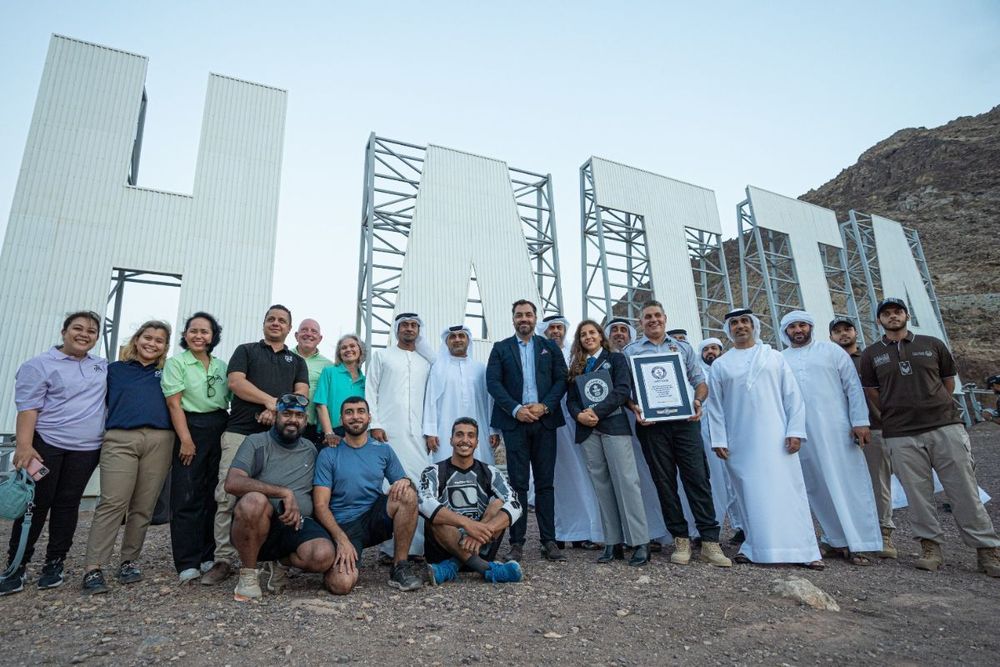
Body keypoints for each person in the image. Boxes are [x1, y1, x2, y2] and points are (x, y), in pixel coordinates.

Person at [860, 298, 1000, 576]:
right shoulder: (871, 354)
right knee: (918, 493)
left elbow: (948, 380)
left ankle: (987, 550)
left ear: (906, 315)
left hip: (944, 426)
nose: (892, 317)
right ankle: (930, 547)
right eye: (886, 314)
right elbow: (872, 391)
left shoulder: (931, 344)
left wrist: (935, 405)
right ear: (879, 320)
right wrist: (892, 413)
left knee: (963, 488)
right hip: (900, 433)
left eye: (897, 312)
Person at [202, 304, 309, 586]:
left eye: (282, 321)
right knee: (227, 494)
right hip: (240, 432)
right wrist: (271, 402)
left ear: (289, 328)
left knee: (269, 497)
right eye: (271, 319)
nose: (276, 323)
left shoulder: (297, 361)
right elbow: (237, 383)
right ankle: (223, 559)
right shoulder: (246, 350)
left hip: (278, 440)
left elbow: (301, 394)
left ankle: (268, 560)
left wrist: (276, 413)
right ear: (264, 324)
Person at [1, 311, 107, 596]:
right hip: (47, 445)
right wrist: (24, 445)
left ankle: (54, 564)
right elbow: (28, 407)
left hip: (86, 450)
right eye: (78, 328)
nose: (84, 334)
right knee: (35, 506)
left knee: (68, 505)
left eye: (91, 331)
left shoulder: (101, 366)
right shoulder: (39, 365)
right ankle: (16, 567)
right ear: (64, 331)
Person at [706, 308, 822, 568]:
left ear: (754, 325)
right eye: (734, 323)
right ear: (729, 330)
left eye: (745, 321)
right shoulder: (722, 364)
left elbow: (793, 397)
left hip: (777, 438)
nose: (740, 326)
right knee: (750, 494)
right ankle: (756, 548)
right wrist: (719, 439)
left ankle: (805, 551)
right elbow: (715, 406)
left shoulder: (774, 358)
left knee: (788, 491)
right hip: (740, 441)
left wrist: (795, 431)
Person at [623, 300, 730, 568]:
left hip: (684, 422)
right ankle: (680, 538)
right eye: (647, 316)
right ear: (641, 321)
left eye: (657, 315)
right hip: (652, 426)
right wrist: (634, 407)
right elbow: (624, 387)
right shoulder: (630, 351)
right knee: (664, 481)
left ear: (665, 318)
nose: (653, 320)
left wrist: (697, 401)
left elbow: (699, 381)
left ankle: (709, 541)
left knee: (697, 478)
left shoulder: (682, 348)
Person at [780, 311, 882, 565]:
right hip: (802, 433)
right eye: (792, 326)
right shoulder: (780, 359)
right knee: (817, 487)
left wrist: (860, 421)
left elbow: (852, 388)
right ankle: (836, 540)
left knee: (849, 483)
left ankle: (862, 543)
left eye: (802, 324)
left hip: (838, 430)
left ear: (811, 327)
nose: (798, 329)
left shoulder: (832, 351)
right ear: (785, 331)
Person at [81, 321, 175, 594]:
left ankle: (128, 561)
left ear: (164, 347)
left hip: (160, 440)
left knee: (143, 506)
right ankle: (93, 567)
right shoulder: (114, 371)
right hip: (120, 439)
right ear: (137, 339)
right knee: (112, 502)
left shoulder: (168, 372)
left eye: (159, 340)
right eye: (148, 337)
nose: (152, 343)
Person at [224, 394, 336, 602]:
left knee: (323, 556)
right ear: (276, 416)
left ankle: (280, 563)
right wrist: (283, 492)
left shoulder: (310, 449)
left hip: (297, 524)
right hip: (260, 524)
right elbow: (232, 482)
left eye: (299, 415)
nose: (293, 420)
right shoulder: (256, 442)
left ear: (305, 420)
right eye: (286, 414)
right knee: (253, 501)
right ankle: (248, 576)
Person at [312, 396, 425, 593]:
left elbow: (406, 484)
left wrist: (406, 481)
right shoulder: (329, 453)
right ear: (341, 419)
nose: (355, 417)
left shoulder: (383, 450)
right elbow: (320, 505)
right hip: (343, 525)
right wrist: (340, 539)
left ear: (369, 417)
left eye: (360, 411)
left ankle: (400, 567)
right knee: (342, 585)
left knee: (407, 494)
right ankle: (334, 563)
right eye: (349, 412)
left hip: (373, 519)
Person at [486, 299, 568, 562]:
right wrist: (516, 409)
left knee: (545, 484)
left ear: (535, 319)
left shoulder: (548, 348)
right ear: (513, 319)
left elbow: (561, 380)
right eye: (519, 315)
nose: (524, 319)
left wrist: (545, 406)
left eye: (529, 315)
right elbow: (493, 383)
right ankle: (517, 543)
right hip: (515, 424)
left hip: (544, 422)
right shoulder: (501, 348)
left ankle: (549, 541)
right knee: (518, 484)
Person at [566, 320, 650, 566]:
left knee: (626, 482)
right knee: (601, 486)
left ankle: (639, 541)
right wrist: (579, 415)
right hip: (588, 431)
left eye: (592, 332)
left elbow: (622, 390)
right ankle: (612, 542)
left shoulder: (616, 360)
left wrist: (596, 412)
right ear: (579, 340)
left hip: (612, 426)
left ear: (601, 336)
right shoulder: (578, 366)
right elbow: (571, 399)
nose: (588, 337)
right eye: (583, 334)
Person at [160, 312, 231, 583]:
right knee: (187, 495)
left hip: (218, 425)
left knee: (212, 493)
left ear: (213, 336)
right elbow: (174, 404)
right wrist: (186, 440)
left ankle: (208, 555)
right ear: (185, 334)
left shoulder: (221, 365)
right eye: (194, 330)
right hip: (189, 426)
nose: (199, 336)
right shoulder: (176, 364)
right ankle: (187, 560)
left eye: (205, 331)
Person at [419, 418, 524, 584]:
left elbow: (516, 504)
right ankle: (488, 570)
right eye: (459, 435)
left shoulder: (490, 471)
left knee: (498, 504)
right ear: (451, 440)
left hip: (481, 545)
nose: (465, 440)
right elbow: (423, 503)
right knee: (437, 518)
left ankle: (451, 567)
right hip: (444, 547)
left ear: (476, 442)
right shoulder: (434, 470)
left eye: (471, 436)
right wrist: (467, 524)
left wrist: (481, 530)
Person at [366, 312, 434, 559]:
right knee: (391, 487)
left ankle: (418, 548)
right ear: (396, 329)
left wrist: (430, 431)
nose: (409, 328)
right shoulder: (382, 356)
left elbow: (430, 399)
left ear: (418, 330)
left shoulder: (425, 363)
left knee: (419, 484)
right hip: (388, 433)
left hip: (417, 434)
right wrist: (374, 423)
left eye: (414, 325)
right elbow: (370, 389)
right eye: (404, 325)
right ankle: (389, 549)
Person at [830, 316, 897, 558]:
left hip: (874, 427)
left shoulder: (869, 359)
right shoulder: (827, 360)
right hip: (837, 432)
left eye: (847, 329)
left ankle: (883, 532)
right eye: (837, 331)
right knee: (842, 482)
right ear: (830, 337)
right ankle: (842, 534)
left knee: (878, 481)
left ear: (855, 332)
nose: (842, 334)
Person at [605, 317, 670, 550]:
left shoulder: (637, 354)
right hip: (613, 427)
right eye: (614, 330)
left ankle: (651, 532)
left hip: (645, 424)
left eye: (624, 330)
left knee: (644, 479)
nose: (619, 334)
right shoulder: (601, 360)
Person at [539, 313, 602, 551]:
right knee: (554, 480)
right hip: (549, 424)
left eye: (559, 327)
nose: (556, 331)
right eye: (552, 328)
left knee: (582, 478)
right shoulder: (539, 353)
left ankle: (584, 532)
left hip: (577, 423)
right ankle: (555, 534)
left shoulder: (577, 356)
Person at [422, 325, 499, 464]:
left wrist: (493, 430)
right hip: (445, 431)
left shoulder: (481, 369)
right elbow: (430, 402)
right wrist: (430, 432)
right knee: (445, 467)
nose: (457, 340)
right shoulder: (438, 369)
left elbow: (490, 403)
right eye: (452, 337)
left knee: (481, 467)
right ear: (446, 342)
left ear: (468, 340)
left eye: (461, 336)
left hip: (479, 428)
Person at [697, 337, 743, 544]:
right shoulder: (698, 376)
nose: (710, 352)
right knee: (715, 483)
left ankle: (743, 527)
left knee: (738, 481)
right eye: (706, 349)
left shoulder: (729, 370)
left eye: (714, 348)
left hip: (735, 431)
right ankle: (710, 530)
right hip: (708, 435)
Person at [314, 334, 366, 448]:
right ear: (339, 353)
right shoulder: (329, 372)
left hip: (357, 435)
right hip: (331, 434)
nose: (348, 350)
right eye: (344, 348)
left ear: (360, 351)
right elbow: (320, 405)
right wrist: (329, 433)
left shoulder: (365, 381)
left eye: (352, 346)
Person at [291, 319, 334, 446]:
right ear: (296, 335)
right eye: (304, 330)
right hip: (283, 422)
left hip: (311, 426)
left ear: (320, 338)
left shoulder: (328, 366)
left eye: (313, 331)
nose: (309, 334)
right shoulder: (284, 356)